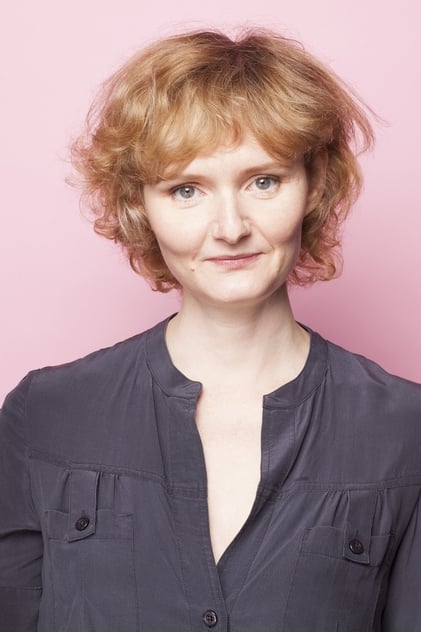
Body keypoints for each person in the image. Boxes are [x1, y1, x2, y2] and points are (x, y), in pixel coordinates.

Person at [1, 27, 420, 632]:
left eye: (264, 181)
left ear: (314, 186)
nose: (230, 227)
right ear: (140, 206)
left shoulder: (404, 429)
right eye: (186, 189)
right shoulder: (45, 414)